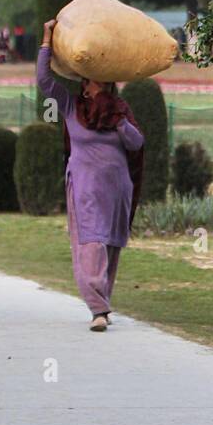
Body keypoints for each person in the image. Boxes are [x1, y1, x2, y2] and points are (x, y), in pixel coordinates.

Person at [37, 20, 145, 332]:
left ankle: (104, 301)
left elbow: (137, 143)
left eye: (102, 81)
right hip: (85, 187)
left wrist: (120, 122)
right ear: (85, 84)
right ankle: (97, 308)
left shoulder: (120, 110)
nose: (96, 85)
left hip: (117, 188)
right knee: (91, 243)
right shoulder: (72, 106)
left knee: (110, 244)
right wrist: (46, 39)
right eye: (92, 80)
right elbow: (45, 81)